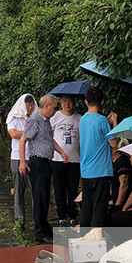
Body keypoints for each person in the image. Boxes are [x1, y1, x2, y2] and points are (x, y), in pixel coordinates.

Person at [19, 94, 70, 243]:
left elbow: (49, 140)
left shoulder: (45, 121)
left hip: (47, 162)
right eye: (54, 107)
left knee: (45, 197)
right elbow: (23, 140)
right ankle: (40, 233)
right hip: (37, 163)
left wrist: (62, 152)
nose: (55, 111)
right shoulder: (34, 120)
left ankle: (45, 228)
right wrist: (23, 162)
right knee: (40, 198)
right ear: (47, 106)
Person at [78, 86, 118, 229]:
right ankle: (96, 240)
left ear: (86, 102)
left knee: (87, 207)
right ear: (102, 102)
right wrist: (115, 123)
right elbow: (113, 143)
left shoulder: (82, 120)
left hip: (86, 170)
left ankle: (84, 238)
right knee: (99, 208)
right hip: (101, 171)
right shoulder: (102, 121)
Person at [51, 95, 81, 227]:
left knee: (73, 189)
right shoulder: (55, 117)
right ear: (60, 103)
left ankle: (73, 216)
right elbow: (49, 135)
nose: (67, 104)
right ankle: (62, 217)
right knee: (59, 189)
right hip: (57, 159)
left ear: (74, 103)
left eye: (70, 101)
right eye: (64, 101)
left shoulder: (79, 118)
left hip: (75, 159)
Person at [7, 94, 36, 229]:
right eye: (28, 105)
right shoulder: (14, 117)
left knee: (36, 191)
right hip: (17, 158)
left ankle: (37, 219)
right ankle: (20, 220)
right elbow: (13, 134)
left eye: (32, 105)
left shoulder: (35, 118)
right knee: (19, 191)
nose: (30, 107)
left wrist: (23, 133)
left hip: (33, 158)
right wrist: (29, 133)